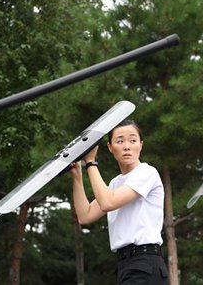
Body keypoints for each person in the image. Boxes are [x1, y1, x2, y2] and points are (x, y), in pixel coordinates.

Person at [70, 119, 168, 284]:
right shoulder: (115, 183)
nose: (127, 146)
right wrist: (77, 177)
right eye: (120, 141)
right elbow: (85, 216)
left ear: (141, 145)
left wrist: (91, 163)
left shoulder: (147, 173)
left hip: (145, 263)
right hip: (125, 265)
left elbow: (108, 203)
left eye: (133, 140)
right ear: (110, 147)